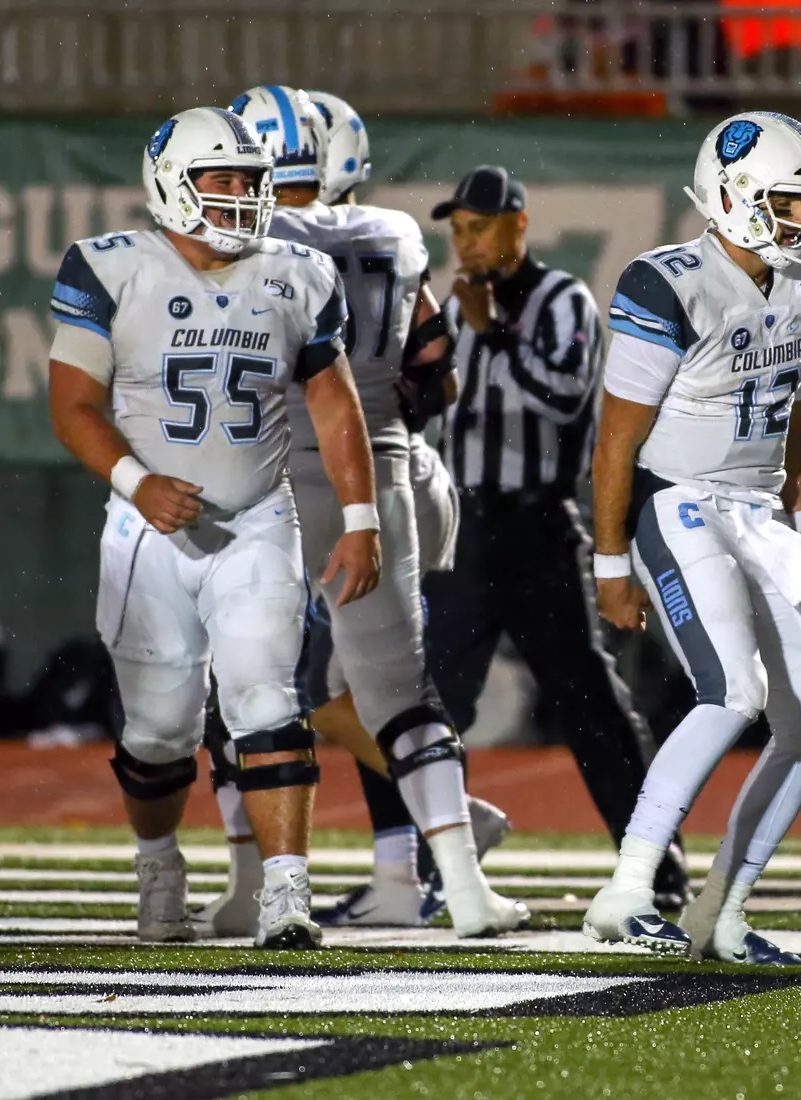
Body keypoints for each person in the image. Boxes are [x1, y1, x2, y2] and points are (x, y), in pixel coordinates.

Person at [180, 87, 526, 939]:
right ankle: (464, 887)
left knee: (238, 684)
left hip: (264, 481)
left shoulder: (238, 244)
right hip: (381, 476)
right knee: (400, 694)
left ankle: (250, 883)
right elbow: (436, 375)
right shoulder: (396, 234)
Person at [46, 106, 379, 949]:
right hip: (146, 530)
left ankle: (286, 895)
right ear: (170, 183)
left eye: (248, 180)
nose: (238, 196)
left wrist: (361, 517)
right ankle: (158, 863)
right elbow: (73, 404)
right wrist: (138, 482)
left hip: (258, 519)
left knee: (266, 694)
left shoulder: (300, 272)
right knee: (159, 733)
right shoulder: (110, 266)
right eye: (219, 179)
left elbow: (334, 404)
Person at [584, 111, 801, 964]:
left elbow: (793, 409)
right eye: (786, 201)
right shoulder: (668, 282)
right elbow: (617, 439)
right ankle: (628, 890)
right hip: (681, 499)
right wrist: (610, 560)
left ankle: (721, 911)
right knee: (733, 690)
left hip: (761, 511)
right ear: (732, 197)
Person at [426, 162, 688, 910]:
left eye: (479, 228)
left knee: (587, 700)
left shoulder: (561, 298)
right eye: (459, 231)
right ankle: (427, 865)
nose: (467, 243)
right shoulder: (455, 305)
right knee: (433, 703)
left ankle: (655, 861)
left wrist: (493, 332)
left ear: (518, 224)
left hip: (537, 526)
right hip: (463, 527)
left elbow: (567, 396)